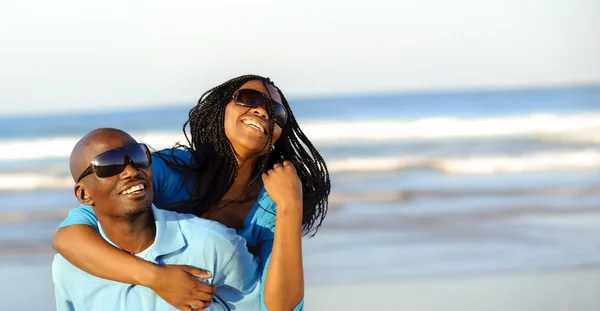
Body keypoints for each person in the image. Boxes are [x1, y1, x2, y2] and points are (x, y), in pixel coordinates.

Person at [52, 74, 331, 311]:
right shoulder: (173, 170)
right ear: (220, 110)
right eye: (249, 99)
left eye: (276, 113)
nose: (263, 112)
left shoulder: (272, 202)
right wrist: (157, 278)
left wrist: (290, 207)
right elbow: (69, 237)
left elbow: (279, 306)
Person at [52, 128, 261, 311]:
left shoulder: (214, 245)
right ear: (84, 195)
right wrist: (158, 278)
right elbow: (64, 238)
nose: (131, 171)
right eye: (109, 165)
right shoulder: (67, 267)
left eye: (138, 156)